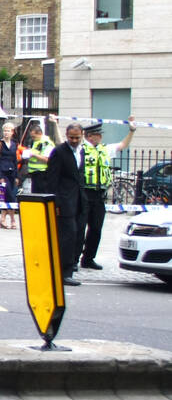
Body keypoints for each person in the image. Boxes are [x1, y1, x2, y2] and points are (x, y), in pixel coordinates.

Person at [78, 118, 137, 270]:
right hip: (84, 193)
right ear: (90, 136)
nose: (101, 137)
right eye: (98, 134)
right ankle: (72, 260)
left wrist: (131, 131)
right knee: (79, 228)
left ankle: (88, 258)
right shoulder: (80, 148)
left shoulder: (105, 149)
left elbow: (123, 145)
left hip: (99, 195)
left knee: (96, 229)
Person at [43, 120, 86, 287]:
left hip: (79, 200)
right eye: (71, 137)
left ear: (81, 136)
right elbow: (52, 179)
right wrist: (56, 203)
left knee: (77, 236)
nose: (74, 140)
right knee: (67, 236)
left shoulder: (81, 152)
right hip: (64, 200)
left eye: (77, 137)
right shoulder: (59, 152)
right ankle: (63, 272)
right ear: (67, 136)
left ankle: (72, 265)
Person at [0, 120, 21, 230]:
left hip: (11, 173)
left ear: (12, 132)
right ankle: (12, 220)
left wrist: (17, 176)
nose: (6, 133)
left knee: (10, 196)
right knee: (9, 196)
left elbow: (15, 160)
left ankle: (3, 219)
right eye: (4, 131)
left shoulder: (14, 145)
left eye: (8, 131)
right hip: (2, 173)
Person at [22, 117, 57, 195]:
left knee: (41, 195)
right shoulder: (35, 142)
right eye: (31, 136)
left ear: (40, 133)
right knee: (35, 195)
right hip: (35, 173)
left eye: (34, 136)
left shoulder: (46, 143)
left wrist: (33, 154)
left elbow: (48, 159)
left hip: (43, 174)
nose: (32, 138)